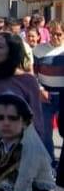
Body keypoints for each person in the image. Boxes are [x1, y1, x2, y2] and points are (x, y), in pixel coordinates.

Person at [32, 20, 64, 162]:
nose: (55, 37)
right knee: (45, 133)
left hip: (63, 95)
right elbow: (33, 74)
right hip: (45, 96)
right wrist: (40, 89)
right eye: (53, 34)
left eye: (59, 34)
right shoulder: (38, 50)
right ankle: (49, 163)